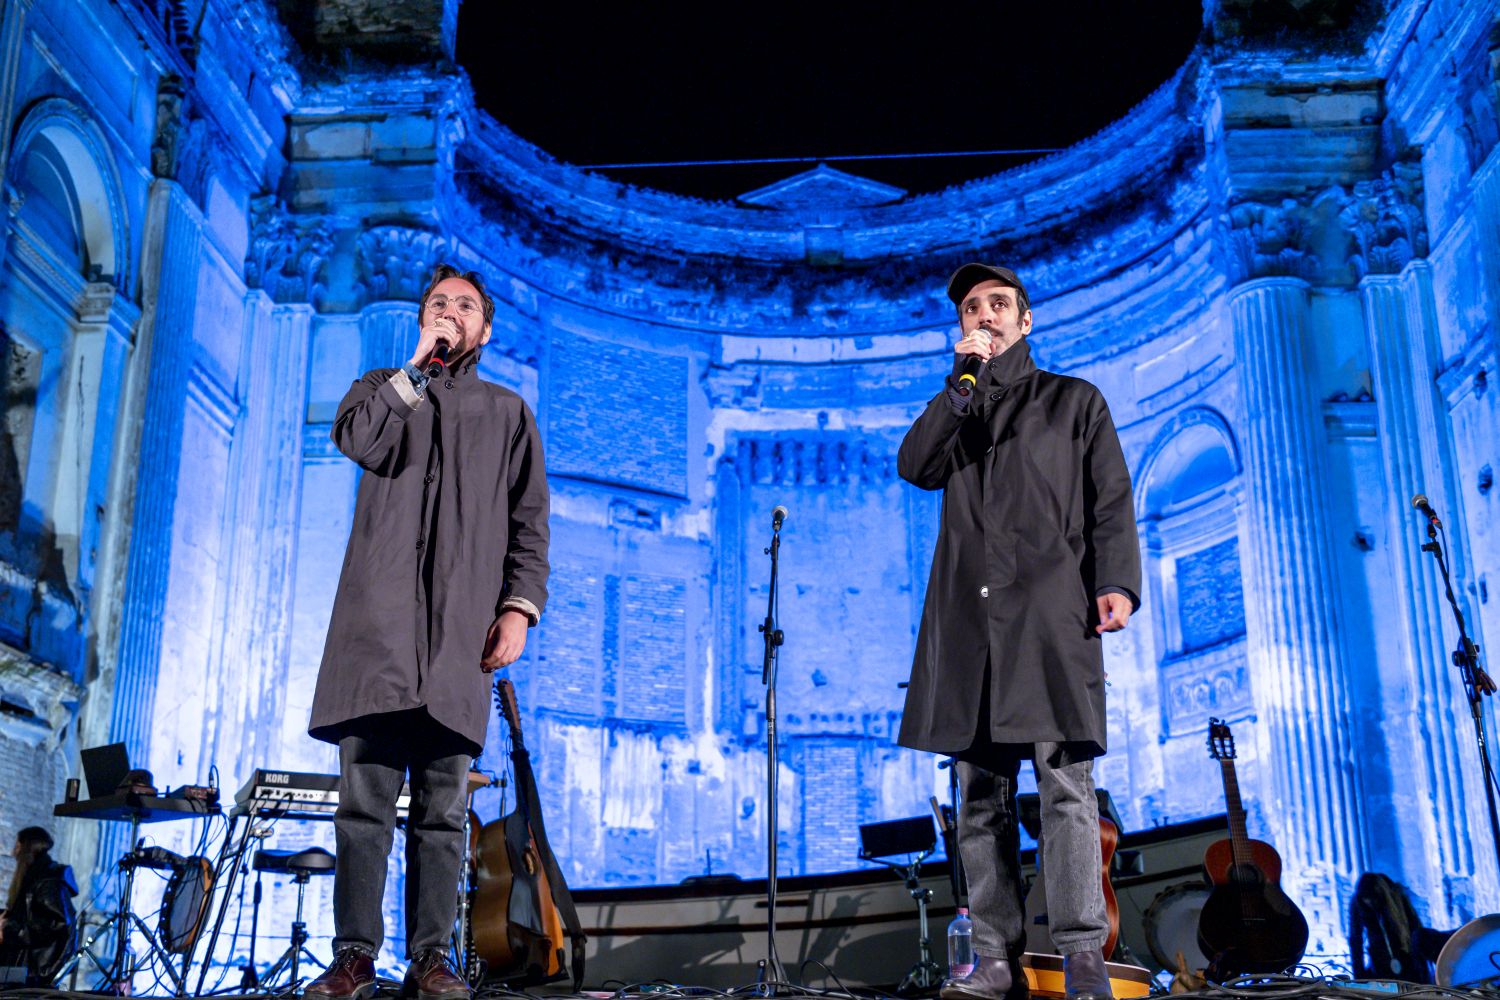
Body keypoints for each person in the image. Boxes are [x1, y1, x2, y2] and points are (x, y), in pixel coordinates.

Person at [305, 264, 550, 1000]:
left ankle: (431, 958)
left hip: (458, 639)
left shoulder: (508, 413)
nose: (449, 313)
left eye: (464, 305)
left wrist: (518, 608)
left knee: (444, 811)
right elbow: (360, 442)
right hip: (376, 634)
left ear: (487, 327)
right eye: (438, 303)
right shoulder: (382, 388)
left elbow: (529, 524)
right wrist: (414, 367)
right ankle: (353, 955)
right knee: (364, 805)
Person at [897, 264, 1140, 1000]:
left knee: (1066, 787)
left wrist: (1116, 583)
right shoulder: (958, 408)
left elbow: (1111, 500)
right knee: (980, 794)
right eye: (973, 308)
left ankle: (1083, 955)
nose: (986, 315)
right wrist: (959, 385)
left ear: (1025, 321)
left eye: (998, 305)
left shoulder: (1075, 401)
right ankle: (995, 957)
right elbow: (914, 465)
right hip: (970, 625)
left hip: (1050, 618)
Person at [0, 826, 78, 985]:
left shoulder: (47, 882)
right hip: (23, 963)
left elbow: (53, 925)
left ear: (27, 849)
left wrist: (7, 927)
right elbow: (29, 915)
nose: (13, 853)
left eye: (17, 847)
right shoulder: (36, 877)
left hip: (35, 968)